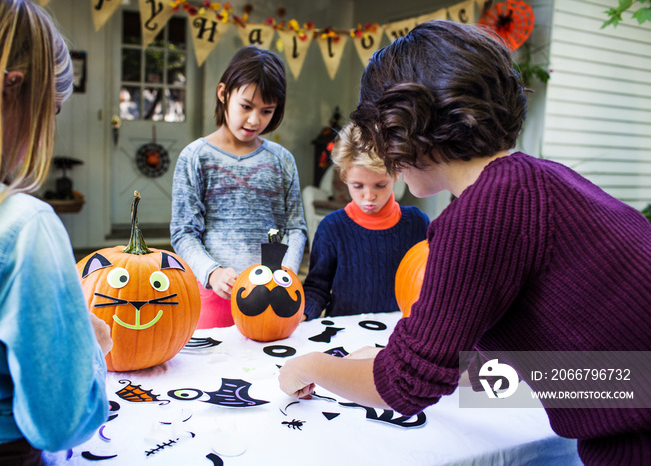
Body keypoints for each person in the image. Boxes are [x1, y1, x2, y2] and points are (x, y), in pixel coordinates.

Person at [278, 20, 651, 465]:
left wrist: (306, 365)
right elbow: (612, 376)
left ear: (404, 126)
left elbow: (405, 387)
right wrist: (424, 361)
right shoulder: (542, 178)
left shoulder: (484, 211)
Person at [0, 0, 112, 463]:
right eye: (53, 110)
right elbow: (61, 423)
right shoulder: (24, 227)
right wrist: (89, 350)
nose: (51, 128)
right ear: (12, 91)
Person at [170, 46, 306, 329]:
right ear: (223, 93)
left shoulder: (282, 160)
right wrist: (212, 273)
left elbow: (296, 228)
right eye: (246, 106)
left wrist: (287, 274)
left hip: (274, 297)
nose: (255, 120)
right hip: (214, 296)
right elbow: (183, 232)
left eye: (266, 111)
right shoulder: (196, 157)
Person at [303, 123, 429, 320]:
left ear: (396, 174)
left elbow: (429, 284)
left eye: (380, 185)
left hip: (396, 334)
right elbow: (316, 288)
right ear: (344, 177)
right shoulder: (331, 228)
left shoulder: (417, 223)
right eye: (358, 186)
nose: (369, 196)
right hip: (343, 334)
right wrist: (301, 315)